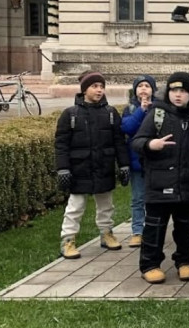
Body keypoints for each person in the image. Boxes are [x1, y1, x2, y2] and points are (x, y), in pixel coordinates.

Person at [132, 72, 189, 284]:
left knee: (184, 226)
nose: (178, 95)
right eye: (174, 90)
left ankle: (184, 261)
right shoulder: (157, 113)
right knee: (154, 227)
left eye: (183, 91)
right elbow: (137, 141)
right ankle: (150, 264)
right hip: (159, 183)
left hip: (186, 183)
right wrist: (150, 145)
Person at [55, 71, 129, 259]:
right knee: (76, 206)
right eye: (95, 86)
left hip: (103, 166)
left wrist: (124, 165)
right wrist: (63, 168)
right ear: (84, 90)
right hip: (80, 168)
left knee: (106, 205)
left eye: (102, 87)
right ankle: (68, 239)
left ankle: (106, 233)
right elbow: (61, 144)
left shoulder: (110, 113)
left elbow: (119, 141)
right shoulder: (70, 114)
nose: (99, 90)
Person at [121, 74, 157, 248]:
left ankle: (153, 229)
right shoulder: (130, 108)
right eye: (140, 85)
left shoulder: (158, 107)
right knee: (137, 198)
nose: (144, 89)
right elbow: (128, 127)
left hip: (155, 161)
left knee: (154, 199)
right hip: (137, 161)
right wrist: (141, 111)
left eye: (147, 86)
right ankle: (137, 231)